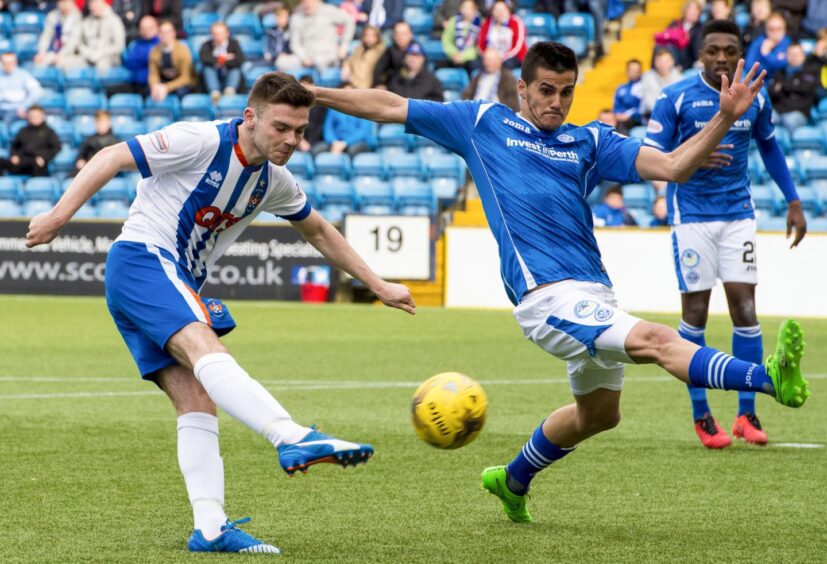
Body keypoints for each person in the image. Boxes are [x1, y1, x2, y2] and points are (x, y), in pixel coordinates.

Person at [307, 40, 810, 523]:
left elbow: (675, 166)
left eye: (566, 91)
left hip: (595, 294)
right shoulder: (483, 122)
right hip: (544, 297)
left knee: (598, 416)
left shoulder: (588, 140)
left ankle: (513, 478)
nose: (557, 102)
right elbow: (390, 105)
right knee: (657, 339)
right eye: (546, 90)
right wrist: (315, 94)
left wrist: (725, 117)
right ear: (522, 89)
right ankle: (767, 379)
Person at [24, 72, 416, 553]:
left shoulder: (273, 180)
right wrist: (59, 216)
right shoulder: (200, 140)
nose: (292, 140)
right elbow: (111, 156)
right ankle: (291, 435)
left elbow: (318, 231)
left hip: (168, 279)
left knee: (196, 400)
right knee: (204, 344)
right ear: (250, 117)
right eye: (281, 127)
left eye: (299, 130)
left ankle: (209, 527)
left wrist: (376, 284)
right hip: (144, 259)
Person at [645, 20, 806, 449]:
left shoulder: (754, 93)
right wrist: (692, 155)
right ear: (699, 52)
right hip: (692, 216)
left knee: (746, 308)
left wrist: (792, 200)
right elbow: (652, 156)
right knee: (695, 314)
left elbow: (769, 145)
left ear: (741, 53)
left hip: (738, 213)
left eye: (729, 50)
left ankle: (746, 414)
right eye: (713, 49)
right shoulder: (674, 97)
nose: (721, 57)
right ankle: (702, 416)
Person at [285, 0, 356, 72]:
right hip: (305, 57)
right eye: (304, 2)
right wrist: (304, 58)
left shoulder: (328, 11)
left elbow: (349, 20)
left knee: (320, 62)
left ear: (318, 1)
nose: (307, 4)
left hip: (326, 56)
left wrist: (344, 44)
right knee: (282, 63)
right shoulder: (296, 17)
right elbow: (295, 43)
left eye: (310, 2)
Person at [59, 0, 126, 72]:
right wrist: (61, 55)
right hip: (88, 56)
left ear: (104, 3)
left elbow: (119, 46)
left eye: (96, 3)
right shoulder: (86, 21)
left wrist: (99, 53)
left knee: (101, 65)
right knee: (64, 63)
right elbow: (75, 41)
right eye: (91, 3)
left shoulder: (114, 20)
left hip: (108, 58)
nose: (93, 6)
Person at [769, 43, 819, 132]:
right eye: (791, 54)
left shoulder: (811, 71)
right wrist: (794, 87)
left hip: (798, 111)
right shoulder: (780, 72)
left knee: (789, 120)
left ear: (803, 56)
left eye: (797, 54)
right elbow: (771, 91)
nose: (794, 57)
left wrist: (782, 86)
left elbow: (805, 89)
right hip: (779, 110)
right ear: (787, 55)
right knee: (766, 118)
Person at [0, 105, 60, 177]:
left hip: (36, 162)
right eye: (32, 115)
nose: (34, 118)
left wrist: (44, 158)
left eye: (36, 115)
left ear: (42, 116)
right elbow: (14, 146)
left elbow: (56, 147)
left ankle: (35, 186)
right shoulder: (23, 130)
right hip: (21, 161)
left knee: (38, 165)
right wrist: (14, 155)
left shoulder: (49, 131)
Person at [316, 84, 374, 157]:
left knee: (352, 150)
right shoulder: (333, 109)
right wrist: (334, 142)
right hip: (336, 142)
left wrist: (345, 143)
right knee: (317, 150)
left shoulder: (363, 109)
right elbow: (328, 128)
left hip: (357, 142)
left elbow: (363, 132)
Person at [148, 20, 195, 101]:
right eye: (162, 33)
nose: (165, 35)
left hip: (180, 83)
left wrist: (167, 87)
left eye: (167, 32)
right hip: (163, 82)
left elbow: (186, 77)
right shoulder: (154, 51)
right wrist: (155, 85)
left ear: (174, 33)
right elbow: (153, 73)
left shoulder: (182, 50)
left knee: (181, 92)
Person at [200, 22, 245, 103]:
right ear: (212, 35)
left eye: (221, 33)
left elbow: (239, 60)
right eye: (215, 34)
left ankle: (230, 91)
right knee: (207, 68)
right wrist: (224, 58)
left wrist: (217, 60)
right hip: (213, 77)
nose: (218, 36)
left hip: (229, 75)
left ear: (227, 33)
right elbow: (204, 59)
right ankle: (215, 93)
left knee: (235, 69)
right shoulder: (206, 44)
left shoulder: (234, 43)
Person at [478, 1, 527, 70]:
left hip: (512, 57)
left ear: (508, 10)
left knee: (507, 64)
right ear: (492, 11)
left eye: (502, 9)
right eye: (497, 10)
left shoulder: (516, 21)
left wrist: (501, 58)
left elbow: (518, 47)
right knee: (476, 64)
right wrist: (488, 57)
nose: (500, 13)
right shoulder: (487, 23)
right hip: (490, 57)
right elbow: (480, 45)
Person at [34, 0, 82, 68]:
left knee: (60, 64)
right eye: (62, 2)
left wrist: (60, 55)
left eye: (68, 2)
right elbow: (46, 36)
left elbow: (73, 42)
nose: (65, 5)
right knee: (39, 62)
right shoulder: (52, 15)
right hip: (54, 51)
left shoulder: (78, 16)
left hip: (72, 54)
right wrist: (41, 53)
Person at [656, 0, 703, 70]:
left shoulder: (699, 28)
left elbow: (696, 48)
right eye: (691, 9)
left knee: (671, 46)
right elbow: (665, 35)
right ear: (685, 10)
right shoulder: (675, 23)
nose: (694, 12)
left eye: (696, 10)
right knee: (658, 47)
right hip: (672, 52)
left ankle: (676, 68)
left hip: (688, 57)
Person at [0, 52, 43, 125]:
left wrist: (24, 106)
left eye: (10, 62)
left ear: (15, 62)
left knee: (7, 120)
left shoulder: (23, 75)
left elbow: (37, 92)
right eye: (5, 63)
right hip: (1, 107)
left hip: (16, 109)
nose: (7, 65)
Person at [121, 15, 159, 96]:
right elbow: (129, 62)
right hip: (135, 81)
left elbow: (156, 62)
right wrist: (146, 59)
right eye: (143, 29)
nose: (146, 31)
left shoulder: (160, 44)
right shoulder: (136, 44)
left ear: (156, 28)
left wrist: (143, 59)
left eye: (149, 28)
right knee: (110, 91)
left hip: (151, 84)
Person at [441, 0, 482, 76]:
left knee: (474, 66)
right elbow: (446, 41)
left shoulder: (480, 23)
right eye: (464, 7)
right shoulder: (453, 21)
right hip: (454, 55)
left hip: (470, 58)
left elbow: (478, 46)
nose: (467, 10)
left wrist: (463, 56)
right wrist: (453, 53)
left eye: (470, 8)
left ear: (476, 9)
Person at [74, 109, 119, 175]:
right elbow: (79, 159)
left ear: (109, 123)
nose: (101, 125)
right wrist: (81, 162)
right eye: (98, 122)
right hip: (91, 174)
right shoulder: (89, 141)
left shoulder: (117, 142)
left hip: (111, 175)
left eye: (103, 122)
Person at [341, 25, 386, 90]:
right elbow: (350, 61)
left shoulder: (381, 51)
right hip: (352, 84)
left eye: (372, 35)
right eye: (366, 35)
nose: (369, 38)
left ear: (377, 37)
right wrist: (346, 65)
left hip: (368, 87)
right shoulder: (359, 49)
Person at [745, 13, 790, 78]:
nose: (775, 32)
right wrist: (771, 64)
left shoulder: (788, 44)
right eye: (771, 29)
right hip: (757, 83)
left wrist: (766, 54)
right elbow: (749, 67)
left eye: (778, 29)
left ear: (784, 29)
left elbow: (781, 68)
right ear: (766, 29)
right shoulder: (759, 42)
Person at [640, 47, 682, 116]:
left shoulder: (679, 77)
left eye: (666, 61)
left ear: (672, 61)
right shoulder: (647, 76)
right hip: (651, 114)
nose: (663, 64)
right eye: (659, 61)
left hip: (673, 116)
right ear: (654, 62)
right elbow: (649, 103)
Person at [372, 21, 413, 89]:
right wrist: (379, 84)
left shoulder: (417, 51)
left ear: (410, 34)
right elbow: (379, 68)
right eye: (397, 34)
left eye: (403, 34)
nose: (400, 37)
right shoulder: (390, 50)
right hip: (393, 89)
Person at [612, 59, 642, 134]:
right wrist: (618, 114)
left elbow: (643, 107)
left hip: (637, 119)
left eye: (636, 70)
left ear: (640, 72)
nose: (634, 73)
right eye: (631, 70)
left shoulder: (644, 87)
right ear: (627, 71)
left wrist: (629, 114)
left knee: (622, 125)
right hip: (621, 118)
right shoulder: (621, 88)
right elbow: (616, 106)